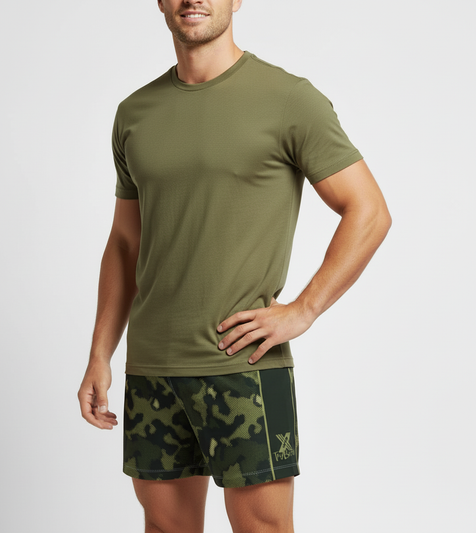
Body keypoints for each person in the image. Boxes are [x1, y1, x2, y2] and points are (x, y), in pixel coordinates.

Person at [78, 0, 391, 531]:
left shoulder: (289, 99)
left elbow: (369, 210)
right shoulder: (134, 112)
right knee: (165, 527)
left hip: (243, 364)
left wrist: (304, 310)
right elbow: (126, 243)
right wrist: (99, 354)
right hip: (153, 366)